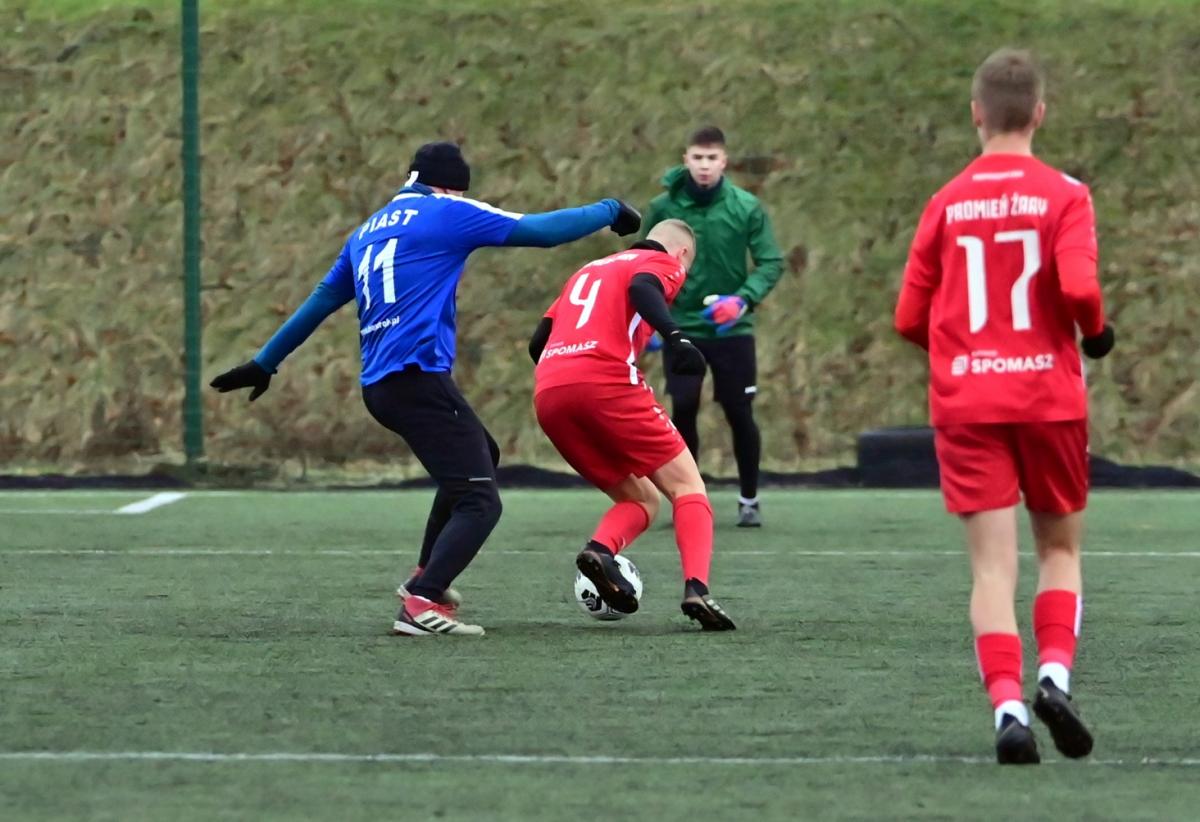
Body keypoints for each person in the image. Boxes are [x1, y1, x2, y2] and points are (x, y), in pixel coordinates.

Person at [211, 141, 642, 637]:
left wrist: (265, 362)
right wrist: (610, 209)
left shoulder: (366, 231)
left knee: (481, 457)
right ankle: (421, 602)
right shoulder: (446, 211)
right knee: (481, 502)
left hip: (382, 387)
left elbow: (322, 299)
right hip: (415, 378)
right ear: (452, 187)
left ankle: (424, 576)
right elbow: (541, 231)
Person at [894, 49, 1115, 764]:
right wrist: (1095, 333)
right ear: (1040, 113)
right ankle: (1054, 677)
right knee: (1059, 549)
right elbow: (1079, 288)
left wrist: (962, 353)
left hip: (968, 400)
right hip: (1048, 396)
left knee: (993, 569)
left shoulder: (946, 201)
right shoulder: (1065, 195)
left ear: (976, 114)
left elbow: (908, 317)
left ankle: (1009, 710)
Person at [528, 219, 736, 631]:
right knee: (687, 486)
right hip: (606, 383)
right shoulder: (661, 262)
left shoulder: (588, 270)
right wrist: (677, 338)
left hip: (550, 393)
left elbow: (538, 342)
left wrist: (572, 376)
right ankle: (697, 589)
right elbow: (644, 288)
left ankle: (600, 551)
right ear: (681, 254)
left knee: (641, 499)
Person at [642, 126, 784, 527]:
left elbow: (771, 261)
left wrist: (742, 300)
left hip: (731, 331)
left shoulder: (746, 207)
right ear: (685, 159)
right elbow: (643, 262)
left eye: (712, 158)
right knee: (683, 408)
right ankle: (688, 499)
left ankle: (749, 499)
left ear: (724, 161)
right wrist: (651, 319)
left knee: (739, 411)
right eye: (697, 158)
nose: (704, 166)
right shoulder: (662, 207)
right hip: (680, 328)